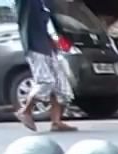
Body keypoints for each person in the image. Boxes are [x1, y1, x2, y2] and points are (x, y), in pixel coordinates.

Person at [15, 0, 77, 132]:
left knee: (61, 87)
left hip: (48, 46)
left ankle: (56, 122)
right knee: (45, 81)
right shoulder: (28, 3)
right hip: (35, 46)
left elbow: (51, 24)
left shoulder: (46, 3)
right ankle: (25, 111)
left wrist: (57, 41)